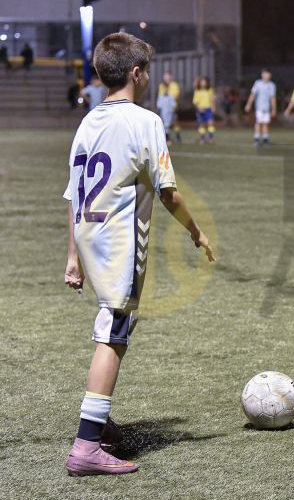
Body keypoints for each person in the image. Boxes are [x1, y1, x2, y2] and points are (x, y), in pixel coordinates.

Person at [62, 32, 215, 477]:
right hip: (119, 242)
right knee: (114, 331)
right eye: (146, 70)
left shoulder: (88, 121)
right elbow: (167, 193)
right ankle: (87, 445)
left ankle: (99, 421)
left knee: (114, 326)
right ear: (136, 73)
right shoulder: (144, 121)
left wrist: (73, 257)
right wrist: (196, 231)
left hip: (90, 236)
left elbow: (74, 193)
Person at [244, 69, 277, 146]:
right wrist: (248, 104)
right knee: (258, 122)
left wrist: (274, 109)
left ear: (270, 75)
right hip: (259, 107)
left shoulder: (272, 85)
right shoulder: (258, 83)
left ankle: (265, 140)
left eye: (267, 74)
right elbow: (253, 94)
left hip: (267, 108)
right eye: (264, 74)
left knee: (266, 123)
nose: (266, 76)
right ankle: (256, 139)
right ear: (262, 75)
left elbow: (272, 98)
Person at [158, 71, 182, 143]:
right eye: (165, 77)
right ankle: (167, 137)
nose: (166, 78)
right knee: (165, 122)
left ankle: (177, 135)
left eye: (168, 77)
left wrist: (172, 101)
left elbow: (177, 95)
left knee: (174, 122)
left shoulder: (174, 85)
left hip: (172, 107)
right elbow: (160, 96)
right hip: (164, 108)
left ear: (171, 77)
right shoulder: (162, 86)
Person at [192, 76, 216, 144]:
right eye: (202, 82)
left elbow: (212, 99)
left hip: (208, 109)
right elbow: (195, 102)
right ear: (200, 83)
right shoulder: (197, 91)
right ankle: (202, 138)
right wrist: (199, 108)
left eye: (204, 82)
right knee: (201, 124)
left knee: (210, 123)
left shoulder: (209, 90)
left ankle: (211, 137)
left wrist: (213, 107)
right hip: (200, 110)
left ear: (207, 83)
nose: (203, 83)